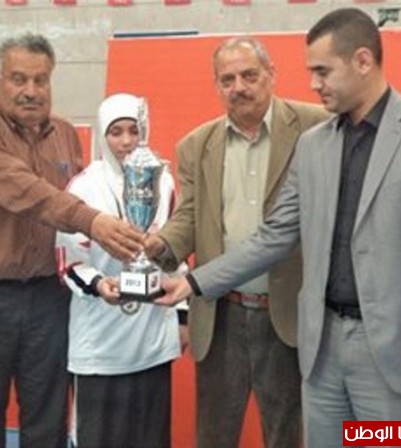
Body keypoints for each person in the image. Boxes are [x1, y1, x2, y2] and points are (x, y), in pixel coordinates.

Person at [157, 8, 401, 447]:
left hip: (392, 354)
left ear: (362, 61)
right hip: (321, 351)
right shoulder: (314, 145)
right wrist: (193, 283)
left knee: (387, 441)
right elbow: (274, 235)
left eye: (323, 71)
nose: (314, 84)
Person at [0, 34, 143, 448]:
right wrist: (94, 222)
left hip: (49, 297)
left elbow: (80, 201)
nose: (31, 91)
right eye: (19, 79)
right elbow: (27, 192)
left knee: (49, 415)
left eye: (41, 80)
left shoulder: (66, 134)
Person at [144, 37, 328, 448]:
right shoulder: (196, 145)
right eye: (227, 80)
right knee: (214, 436)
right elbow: (189, 216)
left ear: (271, 74)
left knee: (287, 435)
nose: (239, 87)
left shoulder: (317, 126)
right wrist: (160, 246)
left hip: (287, 314)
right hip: (220, 316)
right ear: (216, 85)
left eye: (249, 75)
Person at [55, 93, 187, 448]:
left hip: (153, 340)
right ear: (102, 134)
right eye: (116, 132)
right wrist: (99, 284)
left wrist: (182, 316)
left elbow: (176, 252)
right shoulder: (83, 187)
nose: (126, 141)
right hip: (100, 344)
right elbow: (68, 261)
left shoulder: (162, 180)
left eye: (134, 130)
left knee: (149, 439)